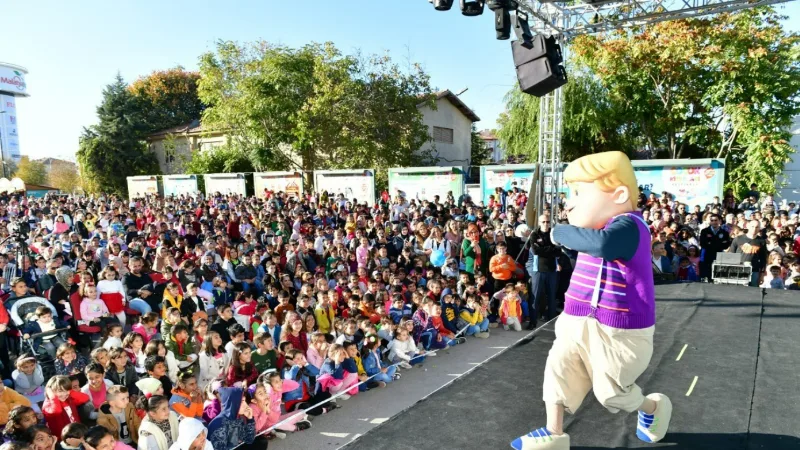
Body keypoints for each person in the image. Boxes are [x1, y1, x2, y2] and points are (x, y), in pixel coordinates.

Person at [512, 151, 672, 450]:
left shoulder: (630, 226)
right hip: (576, 316)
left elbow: (604, 246)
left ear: (619, 194)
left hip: (618, 328)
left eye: (578, 192)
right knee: (559, 369)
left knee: (610, 391)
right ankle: (554, 432)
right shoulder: (595, 230)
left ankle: (651, 407)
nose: (569, 202)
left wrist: (560, 231)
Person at [526, 214, 561, 329]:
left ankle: (550, 323)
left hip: (552, 270)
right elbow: (535, 251)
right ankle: (532, 322)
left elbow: (558, 251)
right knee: (535, 297)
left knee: (551, 296)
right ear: (539, 223)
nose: (545, 224)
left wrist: (544, 249)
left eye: (547, 222)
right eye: (543, 222)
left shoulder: (554, 234)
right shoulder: (535, 234)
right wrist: (551, 248)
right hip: (538, 270)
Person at [42, 376, 91, 440]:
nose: (64, 394)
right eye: (60, 391)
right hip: (62, 438)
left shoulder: (68, 399)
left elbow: (85, 398)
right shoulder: (48, 405)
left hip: (77, 433)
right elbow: (57, 411)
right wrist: (52, 397)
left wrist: (70, 391)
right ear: (51, 391)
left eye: (66, 390)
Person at [729, 219, 768, 287]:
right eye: (752, 226)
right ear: (748, 226)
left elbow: (763, 259)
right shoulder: (738, 239)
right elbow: (731, 254)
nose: (754, 229)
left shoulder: (761, 241)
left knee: (753, 291)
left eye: (757, 227)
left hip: (754, 270)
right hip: (739, 269)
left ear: (759, 228)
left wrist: (762, 274)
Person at [698, 214, 731, 282]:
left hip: (719, 256)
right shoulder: (704, 231)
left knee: (717, 276)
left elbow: (726, 245)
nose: (714, 222)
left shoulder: (724, 232)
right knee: (707, 275)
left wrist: (711, 243)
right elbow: (703, 244)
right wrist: (718, 243)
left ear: (719, 221)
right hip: (707, 256)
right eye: (712, 220)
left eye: (716, 220)